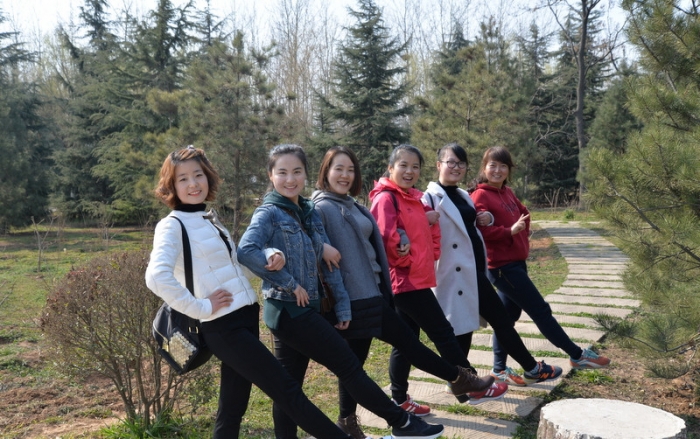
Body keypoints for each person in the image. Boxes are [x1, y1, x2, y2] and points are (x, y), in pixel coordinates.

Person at [237, 144, 453, 439]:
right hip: (288, 310)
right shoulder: (269, 213)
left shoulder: (306, 211)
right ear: (270, 175)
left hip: (305, 308)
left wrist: (338, 297)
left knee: (290, 388)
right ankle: (403, 423)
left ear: (306, 174)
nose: (290, 179)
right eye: (282, 172)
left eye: (297, 172)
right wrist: (288, 281)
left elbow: (326, 264)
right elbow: (246, 250)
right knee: (349, 367)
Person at [144, 146, 353, 439]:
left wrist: (270, 254)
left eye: (198, 175)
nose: (193, 184)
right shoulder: (172, 225)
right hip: (222, 326)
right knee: (287, 390)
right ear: (172, 185)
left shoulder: (207, 219)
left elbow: (234, 265)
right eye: (183, 179)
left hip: (243, 319)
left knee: (233, 407)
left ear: (208, 177)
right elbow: (156, 277)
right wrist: (202, 307)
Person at [303, 146, 501, 438]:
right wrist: (322, 250)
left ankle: (349, 421)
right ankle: (455, 382)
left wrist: (411, 233)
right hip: (357, 298)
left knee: (359, 362)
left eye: (350, 170)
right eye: (338, 169)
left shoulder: (349, 203)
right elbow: (307, 242)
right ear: (325, 172)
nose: (345, 175)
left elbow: (380, 239)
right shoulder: (323, 207)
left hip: (371, 292)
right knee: (407, 344)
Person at [369, 144, 499, 414]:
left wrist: (429, 252)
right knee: (442, 332)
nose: (409, 171)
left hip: (414, 277)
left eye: (415, 166)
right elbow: (384, 239)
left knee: (406, 341)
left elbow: (428, 230)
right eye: (403, 165)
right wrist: (408, 260)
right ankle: (471, 384)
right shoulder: (386, 198)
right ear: (390, 168)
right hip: (405, 280)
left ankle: (399, 399)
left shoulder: (410, 197)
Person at [424, 143, 565, 389]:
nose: (456, 167)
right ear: (439, 165)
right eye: (450, 162)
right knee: (472, 325)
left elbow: (475, 224)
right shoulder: (429, 198)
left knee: (476, 324)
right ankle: (525, 369)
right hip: (453, 273)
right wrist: (423, 221)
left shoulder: (463, 195)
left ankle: (462, 381)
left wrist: (487, 218)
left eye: (461, 163)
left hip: (474, 271)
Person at [470, 145, 611, 384]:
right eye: (492, 165)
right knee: (540, 310)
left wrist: (519, 232)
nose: (497, 170)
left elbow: (523, 213)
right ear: (484, 168)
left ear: (509, 170)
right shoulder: (480, 196)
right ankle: (577, 355)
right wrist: (509, 231)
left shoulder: (507, 192)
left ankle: (499, 369)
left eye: (503, 166)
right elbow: (481, 233)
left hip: (516, 263)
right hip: (502, 268)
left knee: (506, 319)